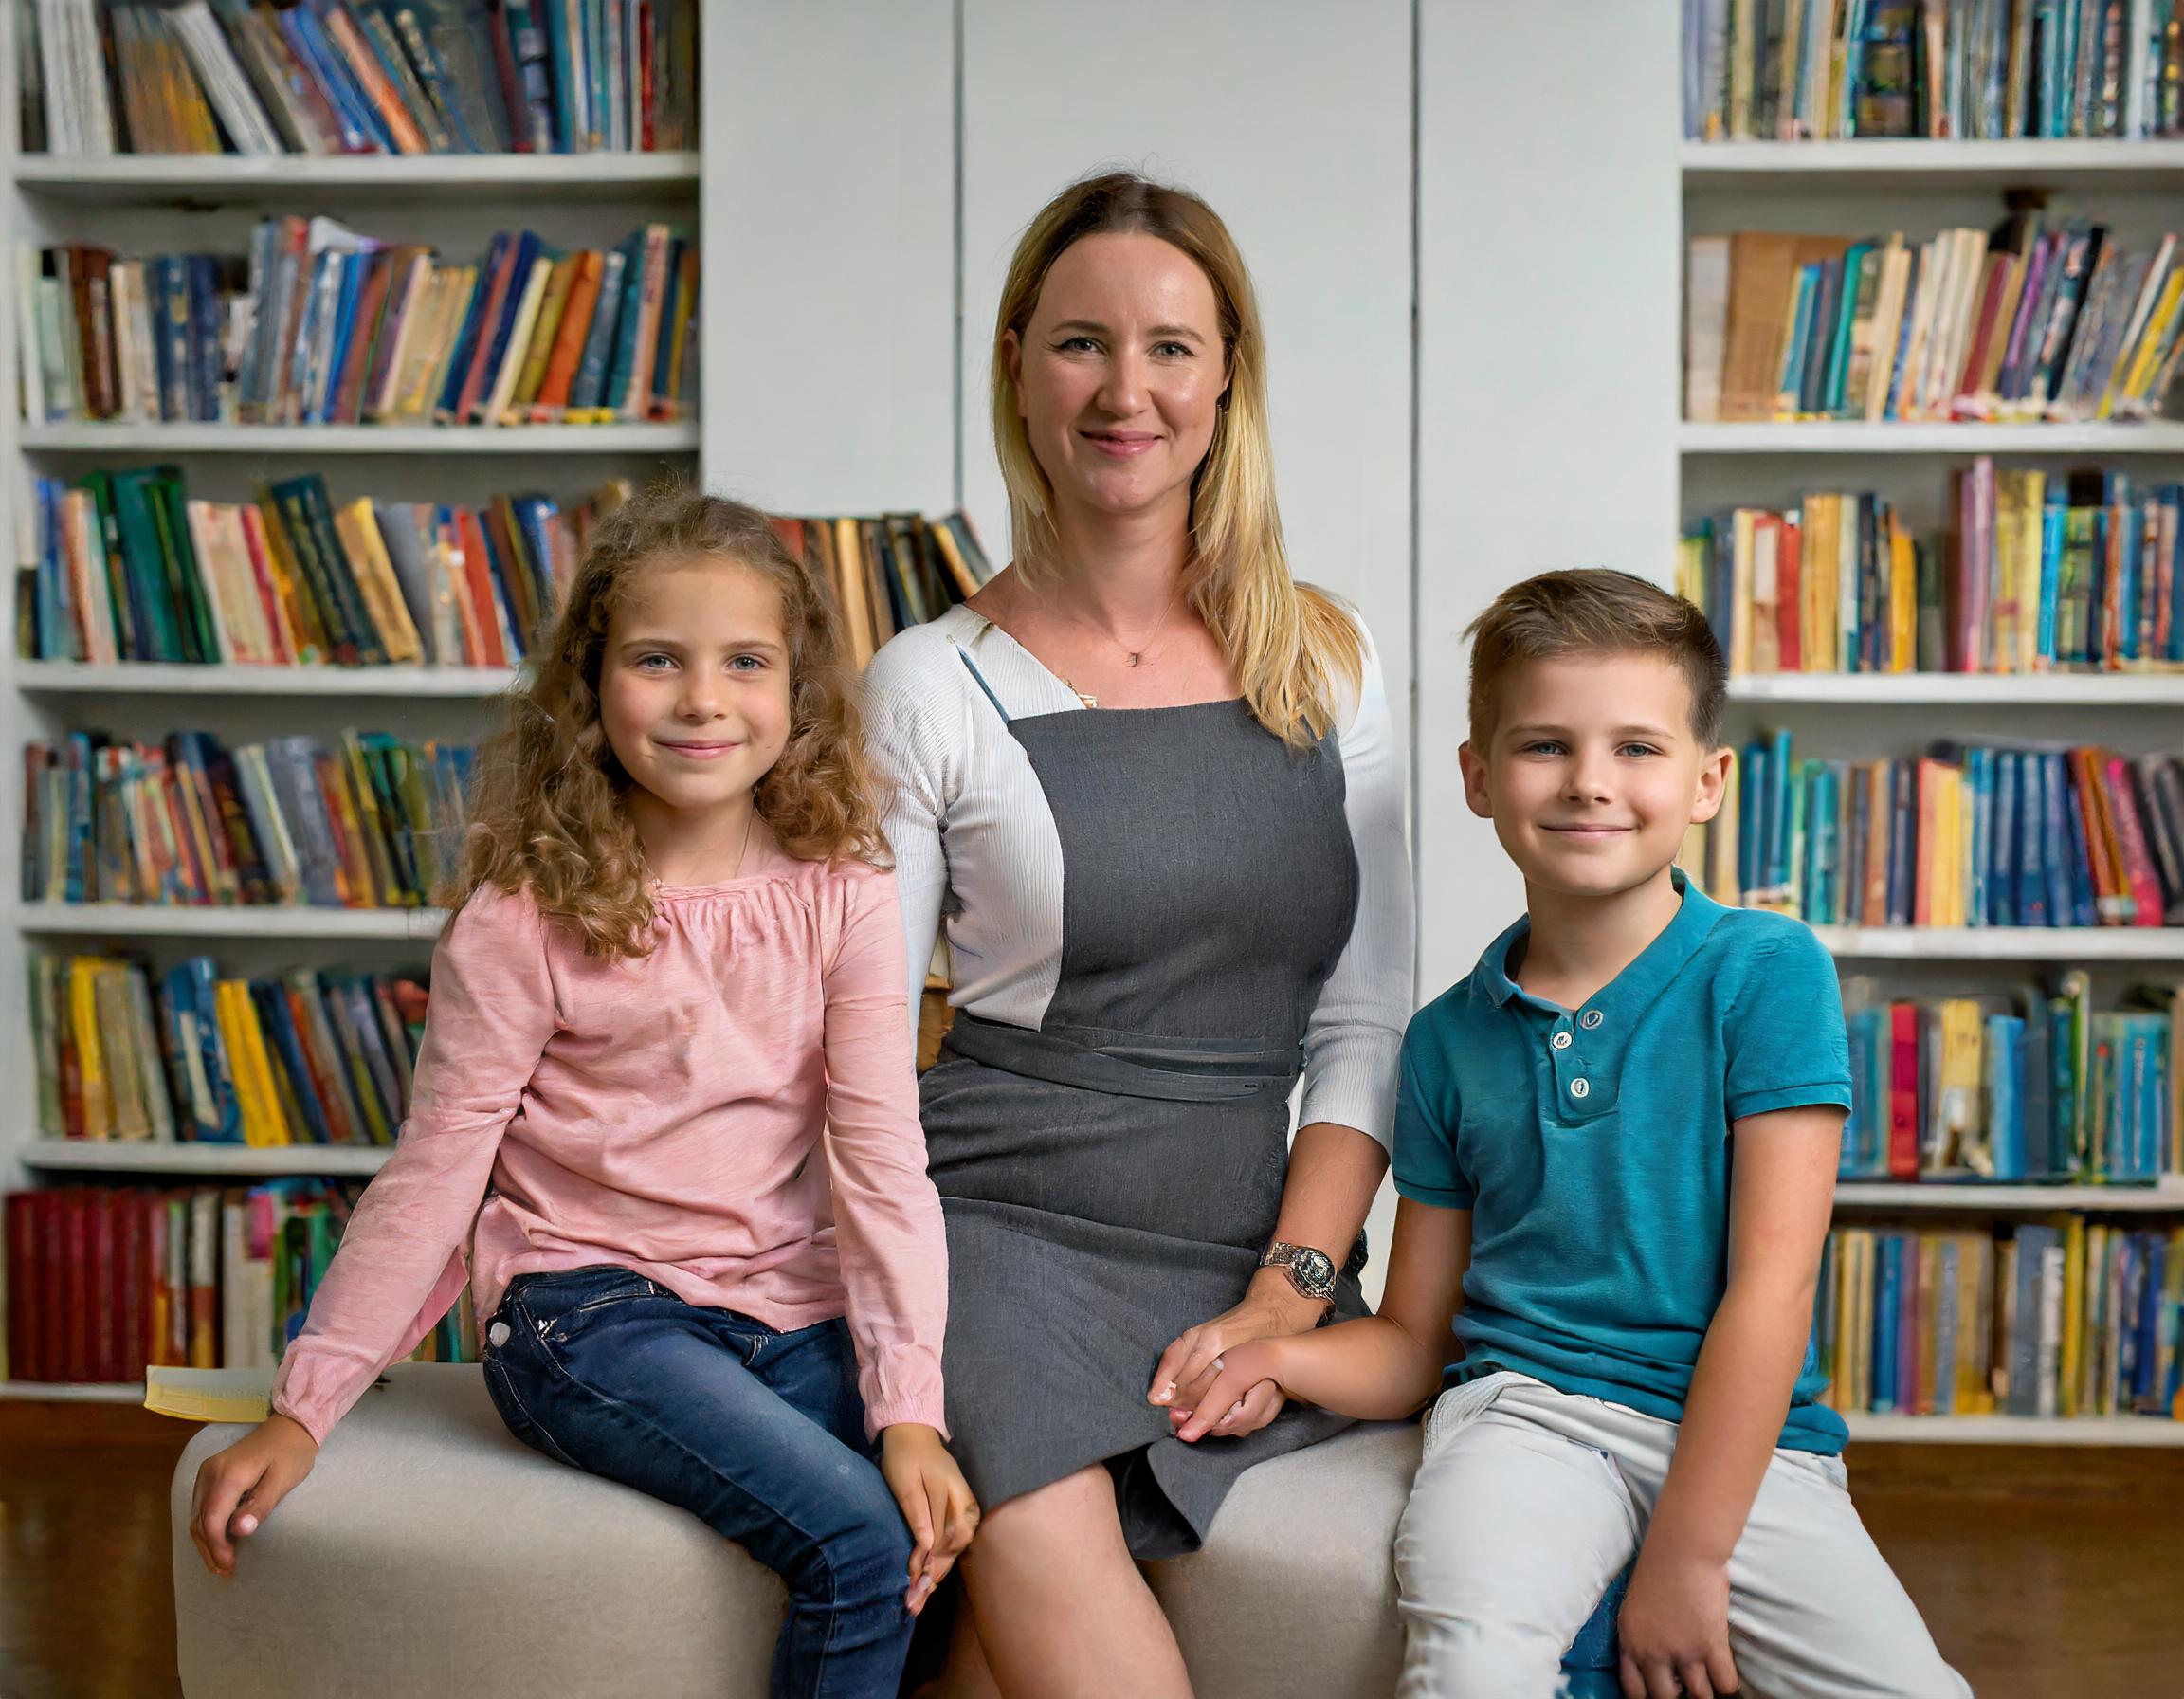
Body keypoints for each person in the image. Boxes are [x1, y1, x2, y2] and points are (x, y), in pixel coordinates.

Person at [187, 488, 977, 1699]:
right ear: (592, 685)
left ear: (799, 690)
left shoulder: (848, 895)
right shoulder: (523, 915)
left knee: (950, 1521)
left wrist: (908, 1407)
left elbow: (880, 1159)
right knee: (860, 1540)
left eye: (745, 661)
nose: (704, 698)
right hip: (592, 1314)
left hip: (792, 1306)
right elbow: (440, 1166)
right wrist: (306, 1405)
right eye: (657, 659)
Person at [1185, 570, 1971, 1699]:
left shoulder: (1765, 971)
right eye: (1545, 745)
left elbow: (1773, 1290)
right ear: (1478, 776)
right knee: (1469, 1664)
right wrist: (1277, 1355)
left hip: (1751, 1440)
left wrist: (1687, 1561)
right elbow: (1416, 1339)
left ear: (1708, 782)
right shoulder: (1446, 1041)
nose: (1591, 783)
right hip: (1521, 1421)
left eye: (1638, 749)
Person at [863, 170, 1410, 1697]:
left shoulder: (1331, 658)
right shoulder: (928, 683)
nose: (1126, 390)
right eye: (1082, 343)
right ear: (1018, 367)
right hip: (994, 1232)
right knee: (1048, 1539)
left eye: (1171, 346)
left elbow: (1366, 1017)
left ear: (1228, 372)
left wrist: (1289, 1286)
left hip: (1252, 1237)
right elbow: (855, 1049)